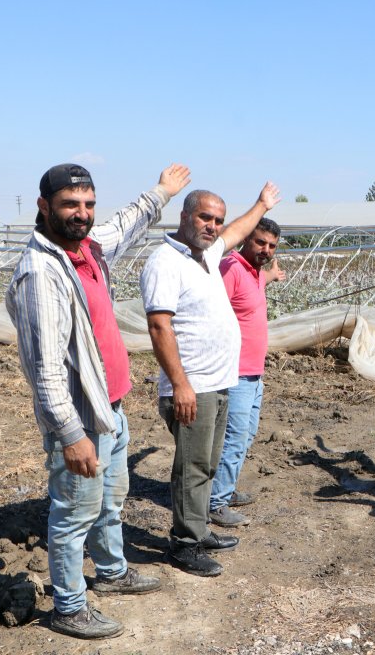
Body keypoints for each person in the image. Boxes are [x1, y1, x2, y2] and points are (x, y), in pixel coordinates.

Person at [6, 162, 191, 639]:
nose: (82, 214)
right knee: (72, 514)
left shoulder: (87, 249)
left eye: (88, 204)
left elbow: (125, 222)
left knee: (110, 499)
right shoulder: (41, 273)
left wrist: (162, 193)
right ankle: (68, 606)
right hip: (82, 417)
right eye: (70, 204)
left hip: (110, 407)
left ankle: (111, 572)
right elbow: (44, 370)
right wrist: (70, 436)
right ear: (44, 206)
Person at [140, 181, 281, 577]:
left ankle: (200, 530)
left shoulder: (207, 255)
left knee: (206, 463)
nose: (213, 225)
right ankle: (184, 545)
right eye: (205, 217)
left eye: (217, 219)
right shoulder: (165, 262)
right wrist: (180, 384)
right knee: (192, 466)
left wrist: (260, 204)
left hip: (218, 382)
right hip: (193, 386)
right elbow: (159, 327)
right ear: (184, 217)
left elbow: (237, 231)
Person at [208, 218, 286, 527]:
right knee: (233, 438)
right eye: (260, 242)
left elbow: (257, 283)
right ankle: (215, 503)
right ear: (245, 239)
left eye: (272, 246)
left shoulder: (253, 272)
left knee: (247, 434)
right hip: (236, 373)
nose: (266, 250)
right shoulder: (230, 268)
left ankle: (224, 490)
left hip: (254, 373)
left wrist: (271, 276)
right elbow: (212, 311)